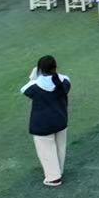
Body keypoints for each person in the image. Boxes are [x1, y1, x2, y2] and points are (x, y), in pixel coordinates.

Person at [21, 55, 71, 186]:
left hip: (42, 125)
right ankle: (58, 171)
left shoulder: (35, 85)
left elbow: (24, 90)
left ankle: (53, 177)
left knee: (46, 151)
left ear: (40, 69)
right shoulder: (64, 80)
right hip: (61, 120)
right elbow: (62, 82)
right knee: (60, 147)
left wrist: (33, 77)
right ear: (55, 67)